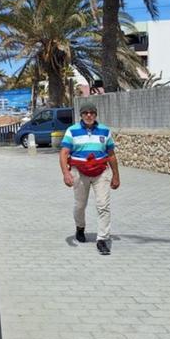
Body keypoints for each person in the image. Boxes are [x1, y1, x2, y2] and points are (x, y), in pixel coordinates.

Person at [59, 103, 121, 255]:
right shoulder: (72, 131)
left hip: (101, 172)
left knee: (103, 205)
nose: (89, 115)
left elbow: (111, 154)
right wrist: (66, 174)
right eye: (85, 113)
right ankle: (80, 227)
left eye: (92, 112)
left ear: (96, 115)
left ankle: (102, 239)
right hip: (79, 172)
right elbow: (64, 153)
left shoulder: (105, 131)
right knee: (80, 205)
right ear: (81, 115)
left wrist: (116, 175)